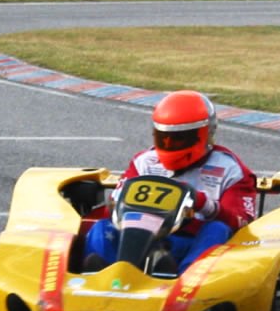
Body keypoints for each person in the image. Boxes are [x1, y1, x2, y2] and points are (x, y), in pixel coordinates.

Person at [83, 90, 257, 275]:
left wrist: (202, 204)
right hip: (138, 239)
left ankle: (188, 279)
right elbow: (115, 203)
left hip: (193, 243)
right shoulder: (144, 162)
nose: (169, 143)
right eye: (163, 138)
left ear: (204, 134)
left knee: (217, 229)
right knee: (102, 227)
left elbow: (242, 224)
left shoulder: (229, 170)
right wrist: (118, 204)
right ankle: (100, 275)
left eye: (178, 139)